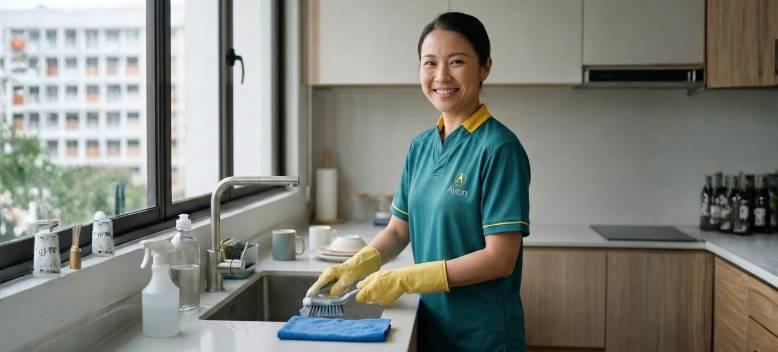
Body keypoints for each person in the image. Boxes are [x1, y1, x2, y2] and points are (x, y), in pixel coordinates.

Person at [306, 12, 531, 351]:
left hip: (483, 337)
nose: (441, 76)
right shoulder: (420, 147)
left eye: (456, 62)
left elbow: (500, 258)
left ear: (485, 67)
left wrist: (408, 277)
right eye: (430, 63)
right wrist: (355, 265)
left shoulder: (500, 148)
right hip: (432, 325)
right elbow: (399, 230)